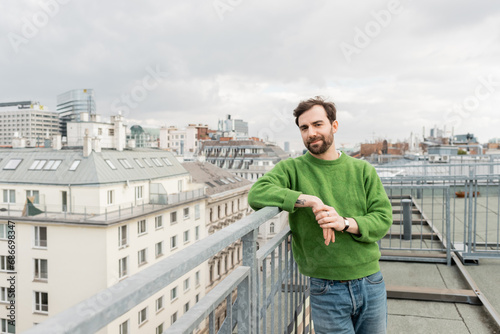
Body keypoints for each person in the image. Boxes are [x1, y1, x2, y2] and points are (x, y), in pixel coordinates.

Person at [248, 96, 393, 334]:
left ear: (333, 126)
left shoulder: (363, 170)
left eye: (318, 124)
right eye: (304, 128)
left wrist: (344, 223)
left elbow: (382, 219)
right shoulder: (291, 169)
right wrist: (310, 200)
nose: (311, 133)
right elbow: (257, 194)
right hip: (326, 287)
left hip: (370, 281)